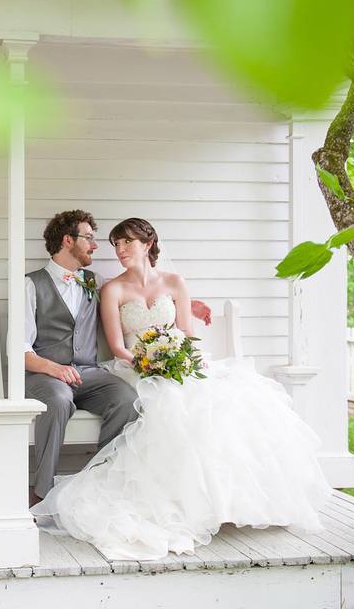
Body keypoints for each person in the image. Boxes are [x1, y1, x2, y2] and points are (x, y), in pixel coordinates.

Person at [30, 217, 332, 561]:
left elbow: (187, 333)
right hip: (135, 368)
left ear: (148, 242)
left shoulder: (174, 282)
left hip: (177, 364)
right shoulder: (111, 288)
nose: (120, 250)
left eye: (126, 241)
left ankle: (225, 502)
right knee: (164, 405)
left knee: (224, 402)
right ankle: (167, 500)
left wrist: (181, 359)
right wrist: (150, 363)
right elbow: (117, 347)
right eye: (115, 244)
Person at [24, 211, 212, 507]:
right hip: (46, 375)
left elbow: (141, 292)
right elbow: (19, 348)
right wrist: (54, 368)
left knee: (126, 398)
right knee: (59, 399)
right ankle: (42, 490)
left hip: (89, 372)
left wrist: (190, 305)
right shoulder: (31, 285)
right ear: (68, 240)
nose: (96, 246)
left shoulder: (94, 282)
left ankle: (98, 481)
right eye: (89, 238)